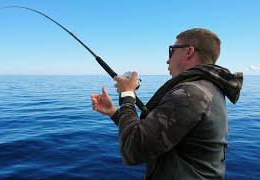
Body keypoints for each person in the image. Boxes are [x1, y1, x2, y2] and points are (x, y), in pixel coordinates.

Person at [91, 28, 243, 179]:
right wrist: (113, 112)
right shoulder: (205, 89)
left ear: (189, 51)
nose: (168, 60)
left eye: (172, 51)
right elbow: (155, 130)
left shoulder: (192, 94)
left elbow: (133, 148)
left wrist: (127, 95)